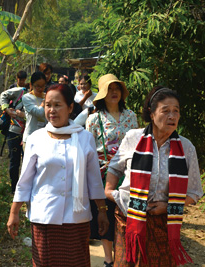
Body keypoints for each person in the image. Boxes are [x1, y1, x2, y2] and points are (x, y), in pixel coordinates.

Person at [7, 83, 109, 266]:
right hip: (44, 217)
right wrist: (14, 212)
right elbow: (25, 181)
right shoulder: (36, 138)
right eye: (48, 105)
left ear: (70, 108)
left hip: (77, 219)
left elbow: (94, 180)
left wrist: (102, 211)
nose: (52, 110)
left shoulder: (85, 138)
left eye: (57, 105)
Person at [105, 86, 204, 267]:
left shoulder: (186, 148)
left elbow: (195, 192)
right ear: (151, 113)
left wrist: (169, 206)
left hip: (163, 223)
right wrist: (110, 192)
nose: (172, 116)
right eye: (165, 111)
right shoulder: (133, 138)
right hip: (129, 219)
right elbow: (114, 167)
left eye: (176, 111)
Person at [86, 74, 138, 267]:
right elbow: (90, 150)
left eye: (117, 88)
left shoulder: (131, 116)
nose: (114, 92)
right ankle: (109, 259)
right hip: (103, 174)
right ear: (102, 94)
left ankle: (123, 254)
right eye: (109, 89)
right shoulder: (93, 119)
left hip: (127, 174)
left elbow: (137, 145)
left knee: (125, 213)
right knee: (105, 214)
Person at [0, 86, 26, 193]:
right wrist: (7, 109)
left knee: (27, 163)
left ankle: (24, 188)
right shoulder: (21, 92)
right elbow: (3, 95)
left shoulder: (43, 96)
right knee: (14, 161)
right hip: (14, 131)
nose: (39, 88)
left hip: (29, 135)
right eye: (37, 85)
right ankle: (14, 189)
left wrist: (24, 115)